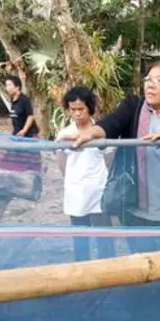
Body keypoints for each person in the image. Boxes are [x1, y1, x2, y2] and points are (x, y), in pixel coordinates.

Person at [70, 60, 160, 253]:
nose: (150, 84)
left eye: (158, 80)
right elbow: (112, 122)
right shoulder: (134, 107)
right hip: (131, 201)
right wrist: (91, 132)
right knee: (137, 251)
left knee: (150, 251)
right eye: (148, 79)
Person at [55, 87, 115, 262]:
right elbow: (61, 161)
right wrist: (72, 179)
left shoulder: (101, 132)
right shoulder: (65, 134)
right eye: (73, 109)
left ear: (90, 108)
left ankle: (109, 272)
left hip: (99, 190)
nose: (77, 113)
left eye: (81, 109)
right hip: (76, 191)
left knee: (105, 236)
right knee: (80, 236)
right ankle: (82, 269)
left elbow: (109, 159)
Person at [0, 75, 42, 174]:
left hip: (29, 134)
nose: (7, 87)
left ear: (17, 87)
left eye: (9, 85)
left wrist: (24, 130)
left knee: (32, 160)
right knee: (11, 158)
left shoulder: (24, 100)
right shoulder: (13, 100)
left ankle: (37, 178)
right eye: (6, 85)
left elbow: (30, 116)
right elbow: (15, 118)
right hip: (17, 134)